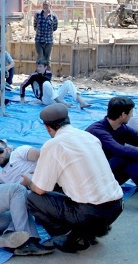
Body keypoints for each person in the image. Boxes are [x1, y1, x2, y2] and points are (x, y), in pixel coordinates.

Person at [26, 104, 124, 253]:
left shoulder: (53, 145)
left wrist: (30, 183)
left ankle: (70, 237)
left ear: (47, 127)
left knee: (32, 199)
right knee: (63, 188)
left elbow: (39, 189)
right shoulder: (89, 136)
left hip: (91, 213)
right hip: (116, 207)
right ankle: (90, 231)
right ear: (68, 119)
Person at [20, 59, 90, 109]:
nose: (38, 68)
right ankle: (62, 103)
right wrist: (22, 98)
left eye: (40, 66)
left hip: (53, 98)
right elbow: (22, 85)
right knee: (46, 84)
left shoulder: (49, 74)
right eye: (37, 66)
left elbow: (48, 86)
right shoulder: (33, 76)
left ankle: (81, 101)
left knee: (68, 82)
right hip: (45, 100)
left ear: (45, 67)